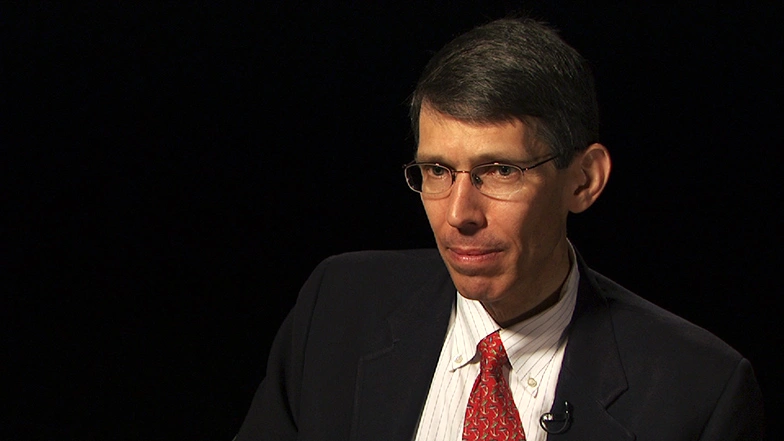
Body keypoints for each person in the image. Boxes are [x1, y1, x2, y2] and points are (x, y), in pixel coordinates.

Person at [234, 17, 764, 441]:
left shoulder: (699, 391)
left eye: (500, 171)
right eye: (437, 170)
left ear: (584, 180)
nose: (459, 213)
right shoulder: (337, 306)